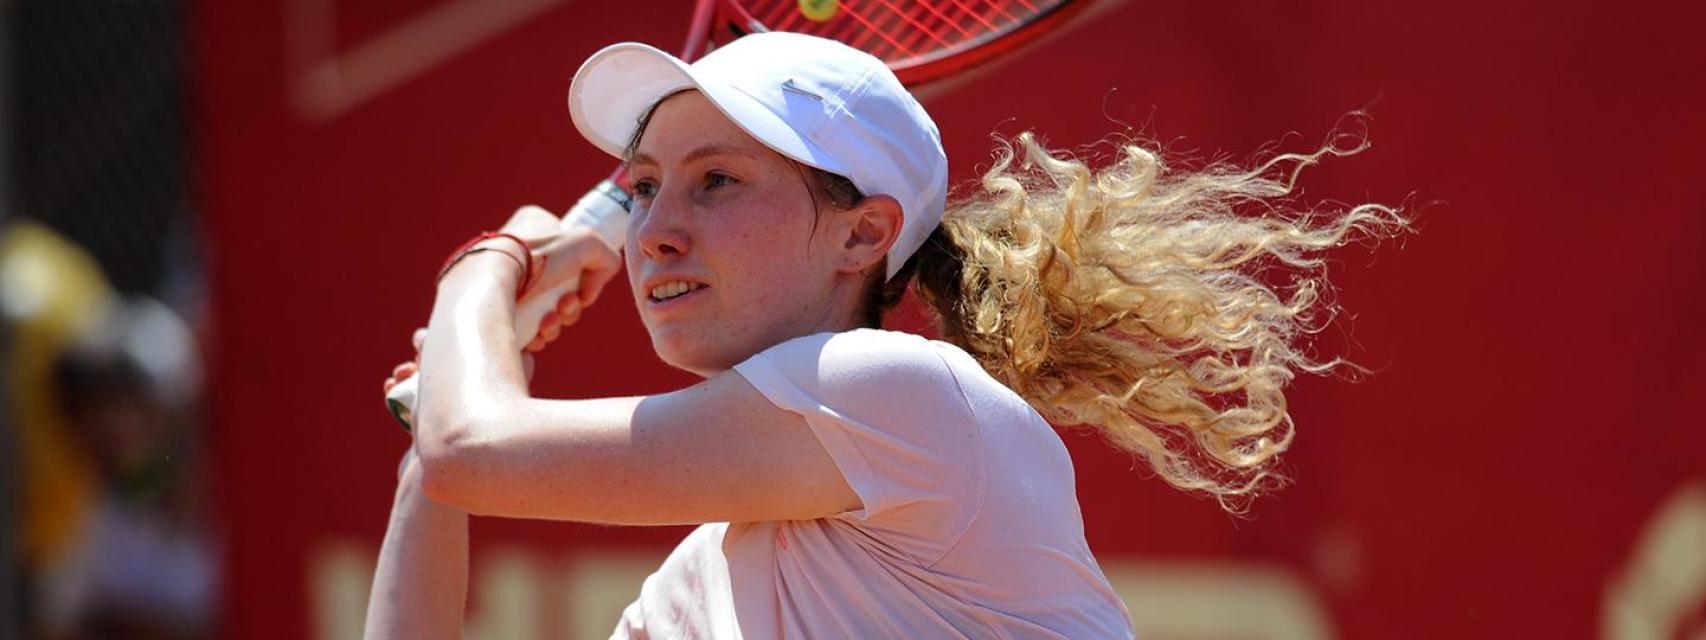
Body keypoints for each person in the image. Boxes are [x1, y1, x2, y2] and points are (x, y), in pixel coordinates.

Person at [368, 32, 1405, 639]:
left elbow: (479, 448)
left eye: (715, 180)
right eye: (641, 190)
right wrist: (433, 449)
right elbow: (464, 456)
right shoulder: (698, 595)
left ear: (861, 233)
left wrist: (488, 264)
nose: (655, 230)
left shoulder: (893, 390)